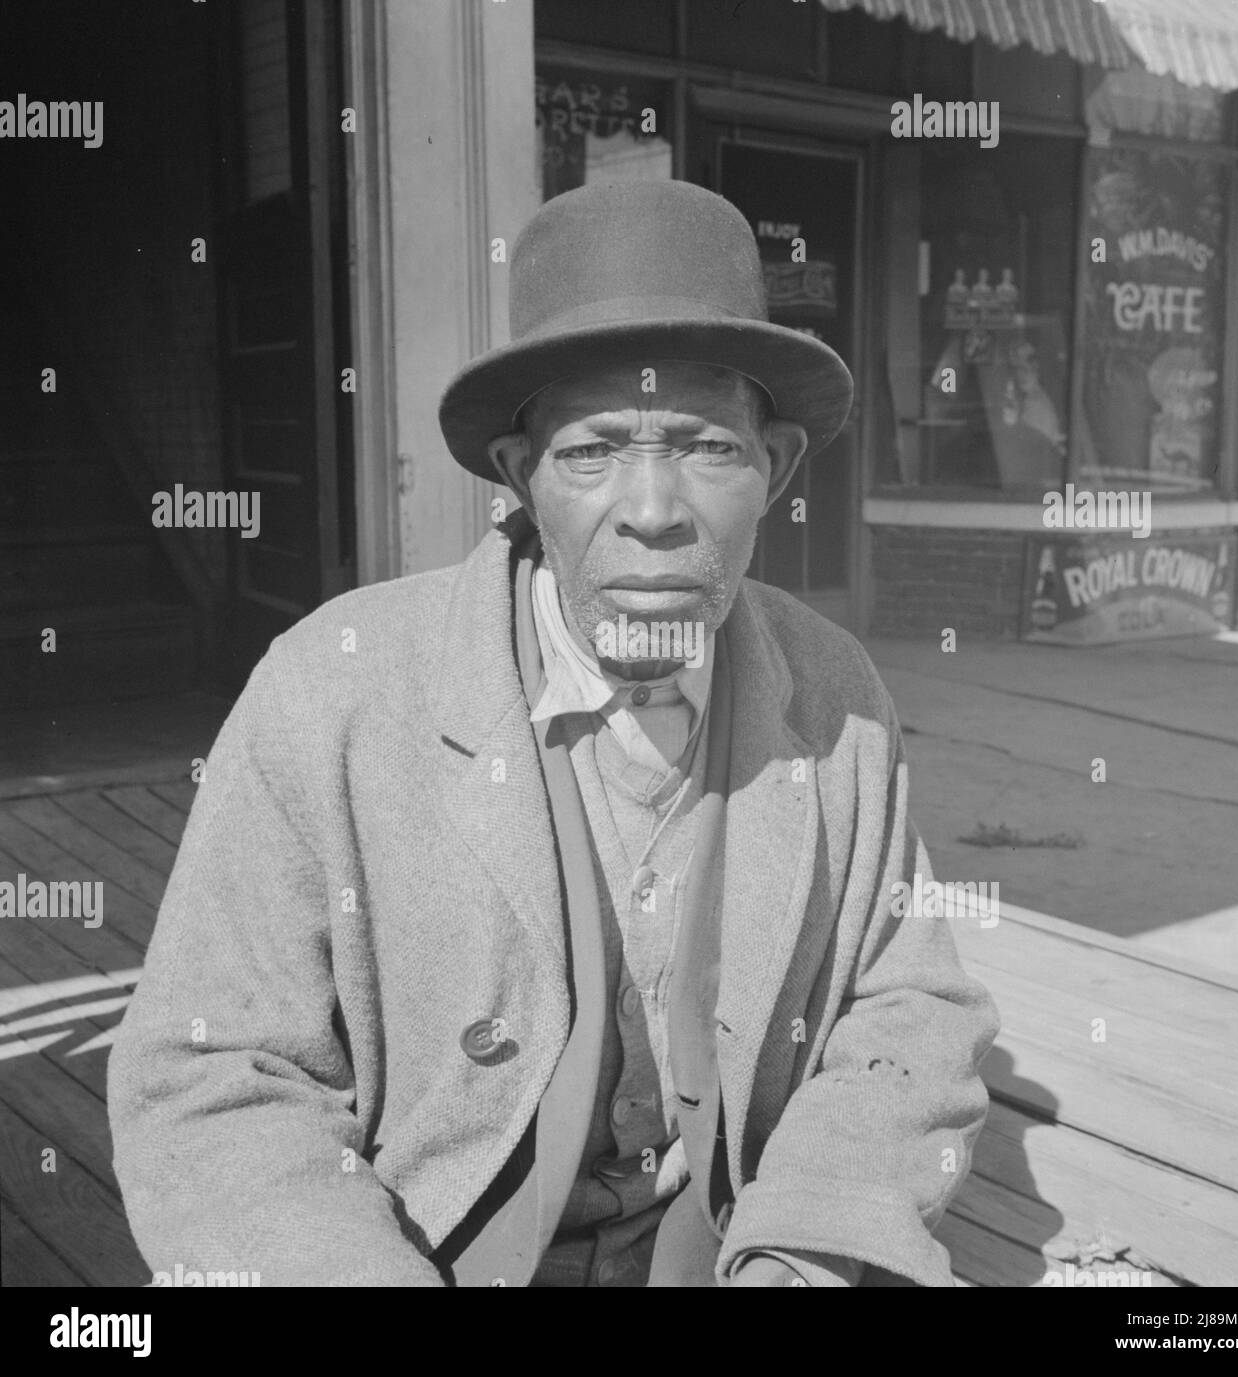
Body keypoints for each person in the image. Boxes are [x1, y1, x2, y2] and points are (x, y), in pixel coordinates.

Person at [108, 180, 998, 1287]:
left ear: (776, 468)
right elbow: (213, 1074)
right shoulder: (332, 688)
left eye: (708, 447)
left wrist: (808, 1242)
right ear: (519, 475)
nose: (655, 507)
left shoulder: (834, 692)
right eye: (592, 452)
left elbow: (909, 1009)